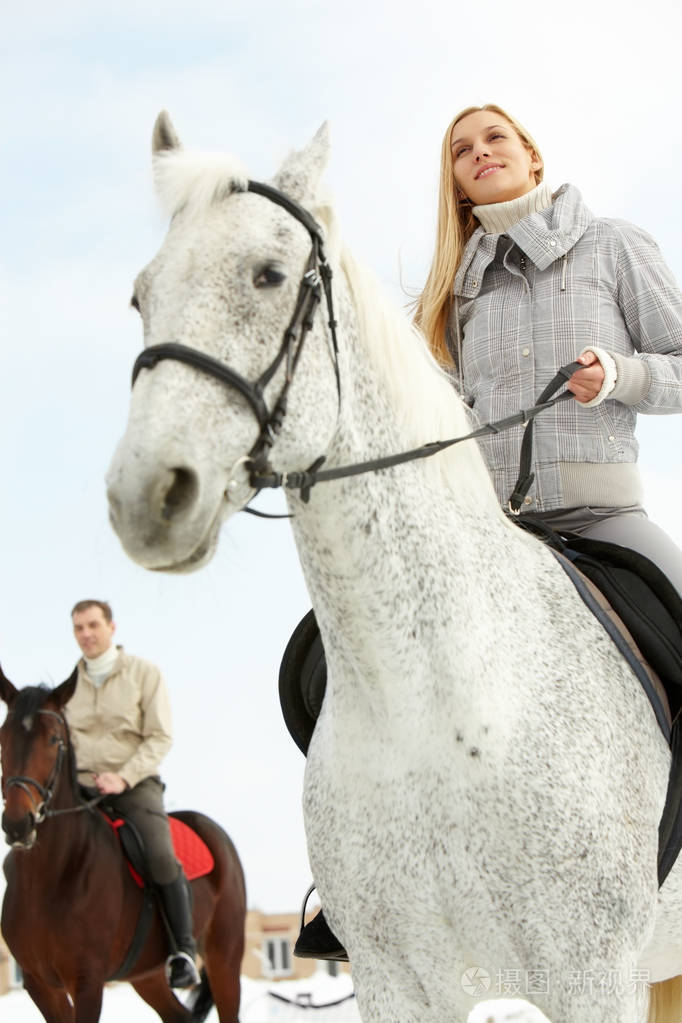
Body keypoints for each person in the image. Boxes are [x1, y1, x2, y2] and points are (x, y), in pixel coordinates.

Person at [297, 102, 682, 962]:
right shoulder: (451, 291)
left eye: (493, 139)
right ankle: (357, 880)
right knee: (339, 660)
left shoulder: (612, 245)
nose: (478, 155)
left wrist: (618, 373)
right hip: (489, 535)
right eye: (460, 150)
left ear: (531, 152)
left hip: (604, 514)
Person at [67, 599, 200, 989]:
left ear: (112, 627)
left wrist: (123, 778)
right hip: (77, 789)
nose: (86, 634)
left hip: (133, 785)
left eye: (93, 625)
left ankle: (183, 952)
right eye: (78, 628)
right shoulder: (68, 686)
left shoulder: (144, 674)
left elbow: (160, 736)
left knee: (160, 856)